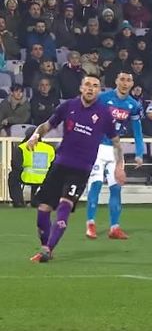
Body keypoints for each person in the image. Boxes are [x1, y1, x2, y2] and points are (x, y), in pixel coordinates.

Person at [28, 75, 126, 263]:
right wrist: (35, 136)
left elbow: (116, 142)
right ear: (81, 88)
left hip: (81, 169)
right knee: (43, 209)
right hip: (59, 165)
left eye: (95, 86)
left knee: (65, 205)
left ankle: (48, 249)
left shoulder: (105, 113)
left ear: (99, 90)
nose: (90, 88)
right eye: (87, 85)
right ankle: (44, 245)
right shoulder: (68, 106)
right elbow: (48, 125)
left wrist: (119, 167)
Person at [85, 71, 144, 240]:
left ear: (132, 84)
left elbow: (138, 132)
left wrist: (139, 153)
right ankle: (90, 224)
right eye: (122, 79)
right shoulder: (103, 98)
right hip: (96, 147)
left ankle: (114, 227)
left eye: (128, 80)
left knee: (116, 188)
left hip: (115, 150)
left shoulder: (133, 105)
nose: (125, 83)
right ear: (116, 81)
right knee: (95, 185)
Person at [9, 126, 55, 208]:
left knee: (13, 175)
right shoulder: (49, 148)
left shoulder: (22, 147)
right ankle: (41, 200)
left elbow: (15, 165)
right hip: (45, 179)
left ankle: (18, 202)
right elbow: (54, 165)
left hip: (28, 177)